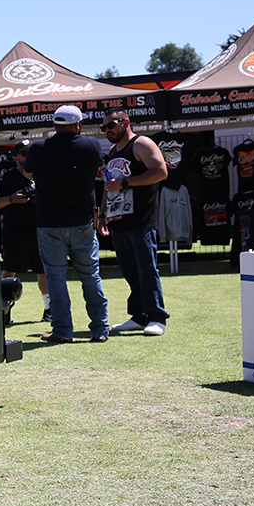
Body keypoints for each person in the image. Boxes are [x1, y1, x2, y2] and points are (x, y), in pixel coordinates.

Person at [24, 105, 110, 344]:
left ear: (54, 125)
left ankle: (62, 330)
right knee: (91, 276)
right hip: (83, 221)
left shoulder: (38, 147)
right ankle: (100, 329)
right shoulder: (91, 145)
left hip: (49, 222)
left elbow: (28, 170)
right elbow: (99, 167)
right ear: (78, 124)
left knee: (55, 278)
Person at [101, 109, 171, 336]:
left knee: (146, 269)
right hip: (119, 221)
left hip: (141, 219)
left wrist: (125, 183)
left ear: (126, 122)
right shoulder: (112, 152)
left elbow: (160, 172)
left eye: (111, 125)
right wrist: (102, 215)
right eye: (104, 128)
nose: (107, 130)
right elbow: (108, 186)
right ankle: (140, 316)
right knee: (130, 271)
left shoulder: (142, 144)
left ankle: (157, 317)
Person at [0, 142, 47, 320]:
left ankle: (49, 310)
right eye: (24, 154)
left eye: (31, 153)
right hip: (16, 232)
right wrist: (11, 199)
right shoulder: (6, 178)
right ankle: (4, 311)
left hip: (42, 230)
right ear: (16, 157)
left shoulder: (44, 174)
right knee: (9, 271)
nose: (28, 157)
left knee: (45, 272)